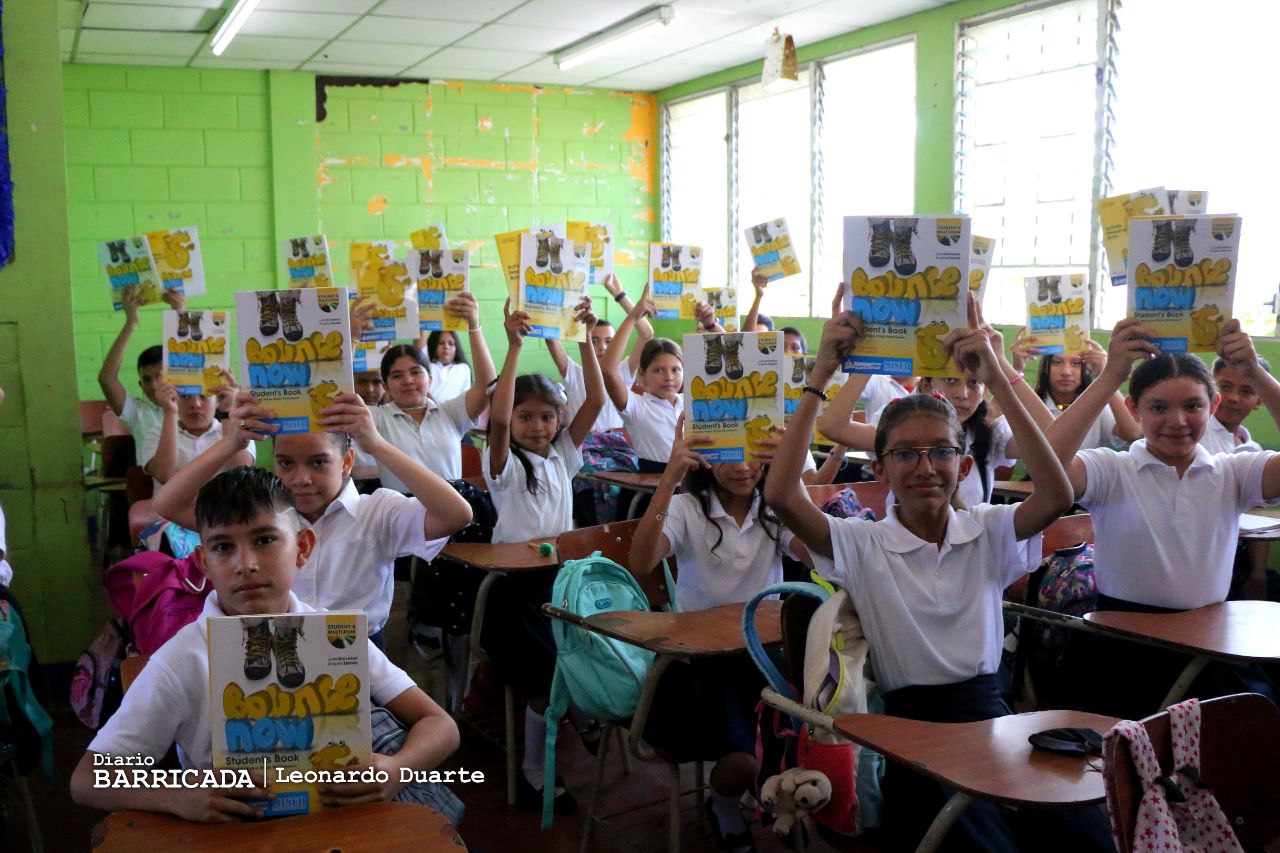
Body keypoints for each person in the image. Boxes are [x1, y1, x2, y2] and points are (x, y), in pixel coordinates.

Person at [766, 310, 1110, 851]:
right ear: (879, 470)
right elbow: (783, 496)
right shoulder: (862, 542)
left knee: (1084, 831)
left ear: (964, 467)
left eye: (940, 452)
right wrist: (821, 374)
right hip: (910, 731)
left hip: (990, 718)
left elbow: (1056, 494)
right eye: (905, 453)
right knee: (980, 842)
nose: (924, 467)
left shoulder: (988, 529)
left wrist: (996, 374)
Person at [70, 467, 461, 822]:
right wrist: (174, 794)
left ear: (303, 548)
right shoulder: (183, 657)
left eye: (265, 539)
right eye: (223, 547)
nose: (246, 564)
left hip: (344, 826)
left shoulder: (333, 635)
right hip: (239, 834)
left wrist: (398, 769)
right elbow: (88, 781)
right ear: (204, 563)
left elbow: (441, 726)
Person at [1046, 318, 1280, 717]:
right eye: (1158, 407)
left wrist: (1255, 373)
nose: (1177, 421)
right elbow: (1046, 462)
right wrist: (1109, 378)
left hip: (1205, 651)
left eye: (1193, 406)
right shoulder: (1112, 470)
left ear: (1213, 406)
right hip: (1118, 650)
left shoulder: (1233, 472)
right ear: (1134, 409)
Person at [151, 391, 472, 648]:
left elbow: (457, 514)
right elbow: (167, 503)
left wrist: (377, 445)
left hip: (360, 648)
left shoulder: (377, 511)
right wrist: (229, 444)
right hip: (276, 644)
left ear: (347, 462)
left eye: (319, 463)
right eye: (286, 463)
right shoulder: (261, 518)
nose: (301, 478)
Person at [630, 415, 807, 849]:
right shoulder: (691, 509)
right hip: (698, 663)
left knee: (808, 726)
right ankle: (724, 802)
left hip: (764, 655)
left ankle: (768, 788)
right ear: (706, 460)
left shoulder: (773, 508)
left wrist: (792, 477)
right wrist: (670, 476)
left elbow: (818, 553)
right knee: (742, 760)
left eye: (754, 453)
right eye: (728, 454)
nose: (743, 466)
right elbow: (641, 563)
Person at [479, 298, 604, 813]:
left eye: (546, 416)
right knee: (548, 679)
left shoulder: (562, 458)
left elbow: (594, 400)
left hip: (562, 582)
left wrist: (584, 339)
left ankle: (580, 712)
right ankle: (535, 770)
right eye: (526, 416)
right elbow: (499, 419)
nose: (535, 425)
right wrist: (511, 348)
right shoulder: (505, 466)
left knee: (589, 660)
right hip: (515, 592)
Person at [369, 293, 497, 489]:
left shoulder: (450, 413)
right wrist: (350, 338)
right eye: (397, 376)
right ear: (386, 387)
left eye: (415, 372)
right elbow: (332, 403)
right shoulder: (375, 419)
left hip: (454, 514)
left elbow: (487, 385)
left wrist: (473, 325)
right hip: (400, 516)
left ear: (429, 379)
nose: (408, 381)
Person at [1010, 328, 1142, 449]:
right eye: (1057, 362)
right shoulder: (1031, 404)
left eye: (1075, 363)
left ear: (1085, 369)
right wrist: (1015, 369)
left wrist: (1107, 374)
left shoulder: (1096, 404)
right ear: (1046, 368)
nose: (1066, 372)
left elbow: (1132, 433)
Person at [600, 287, 682, 473]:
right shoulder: (637, 408)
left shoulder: (690, 403)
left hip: (693, 485)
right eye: (658, 370)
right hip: (652, 487)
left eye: (676, 369)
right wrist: (632, 317)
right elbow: (608, 371)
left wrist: (711, 325)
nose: (669, 377)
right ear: (642, 375)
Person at [97, 285, 183, 447]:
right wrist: (131, 322)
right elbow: (106, 379)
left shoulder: (195, 407)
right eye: (147, 379)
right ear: (140, 385)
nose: (154, 385)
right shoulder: (138, 413)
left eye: (160, 376)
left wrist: (180, 315)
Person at [1200, 352, 1280, 453]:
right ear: (1209, 387)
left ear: (1259, 401)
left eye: (1246, 391)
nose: (1233, 398)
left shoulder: (1255, 451)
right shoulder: (1194, 435)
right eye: (1224, 387)